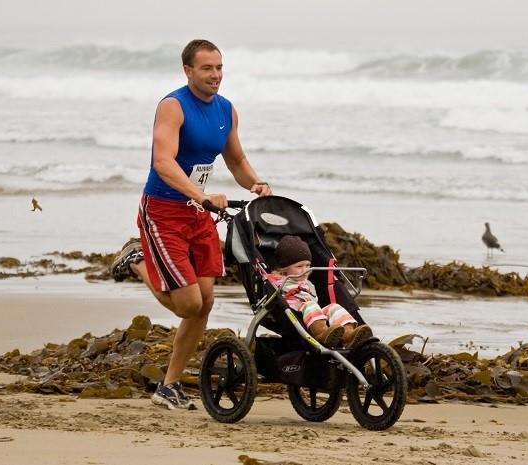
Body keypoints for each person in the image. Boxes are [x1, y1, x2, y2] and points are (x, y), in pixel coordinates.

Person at [110, 39, 272, 410]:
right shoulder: (173, 106)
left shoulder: (226, 110)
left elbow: (236, 159)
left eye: (219, 68)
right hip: (164, 210)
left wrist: (256, 183)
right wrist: (199, 197)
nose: (215, 75)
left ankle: (168, 387)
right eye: (206, 68)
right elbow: (163, 162)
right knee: (187, 305)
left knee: (205, 302)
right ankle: (136, 259)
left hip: (198, 214)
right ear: (188, 71)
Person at [269, 235, 373, 348]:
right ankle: (322, 334)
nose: (305, 270)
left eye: (308, 265)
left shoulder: (308, 284)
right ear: (285, 269)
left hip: (313, 315)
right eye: (299, 266)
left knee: (334, 307)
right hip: (292, 315)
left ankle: (348, 335)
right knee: (310, 305)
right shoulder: (278, 281)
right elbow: (270, 285)